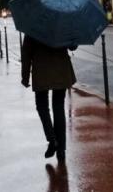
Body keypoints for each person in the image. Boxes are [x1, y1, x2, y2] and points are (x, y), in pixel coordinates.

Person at [21, 34, 77, 162]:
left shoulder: (33, 23)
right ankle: (61, 150)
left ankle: (52, 140)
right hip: (61, 68)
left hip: (41, 69)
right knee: (58, 107)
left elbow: (26, 51)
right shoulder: (62, 19)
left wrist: (25, 76)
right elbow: (73, 46)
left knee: (41, 106)